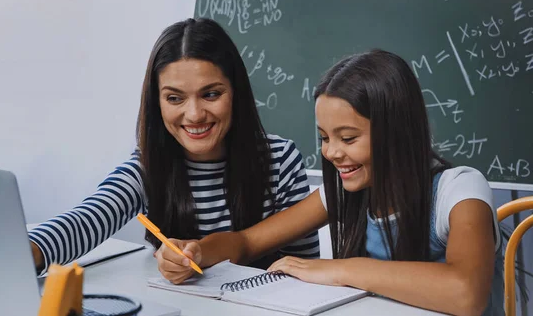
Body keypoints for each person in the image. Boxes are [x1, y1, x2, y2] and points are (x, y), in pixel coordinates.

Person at [155, 49, 502, 316]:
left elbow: (466, 294)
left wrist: (341, 270)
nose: (332, 153)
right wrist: (197, 250)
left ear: (397, 135)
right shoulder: (340, 192)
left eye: (348, 138)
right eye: (324, 137)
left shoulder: (461, 192)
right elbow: (247, 242)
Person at [27, 17, 320, 275]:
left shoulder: (280, 160)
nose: (194, 114)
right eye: (174, 98)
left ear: (236, 93)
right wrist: (30, 251)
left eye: (211, 94)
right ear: (157, 103)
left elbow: (304, 271)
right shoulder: (149, 165)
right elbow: (86, 219)